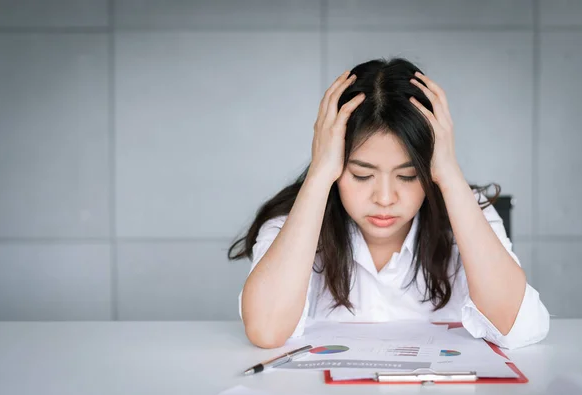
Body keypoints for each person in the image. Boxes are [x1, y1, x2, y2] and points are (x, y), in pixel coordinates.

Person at [228, 57, 550, 350]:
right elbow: (266, 331)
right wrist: (318, 175)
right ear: (337, 166)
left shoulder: (469, 210)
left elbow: (517, 326)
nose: (384, 198)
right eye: (361, 175)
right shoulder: (292, 222)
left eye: (408, 176)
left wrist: (450, 173)